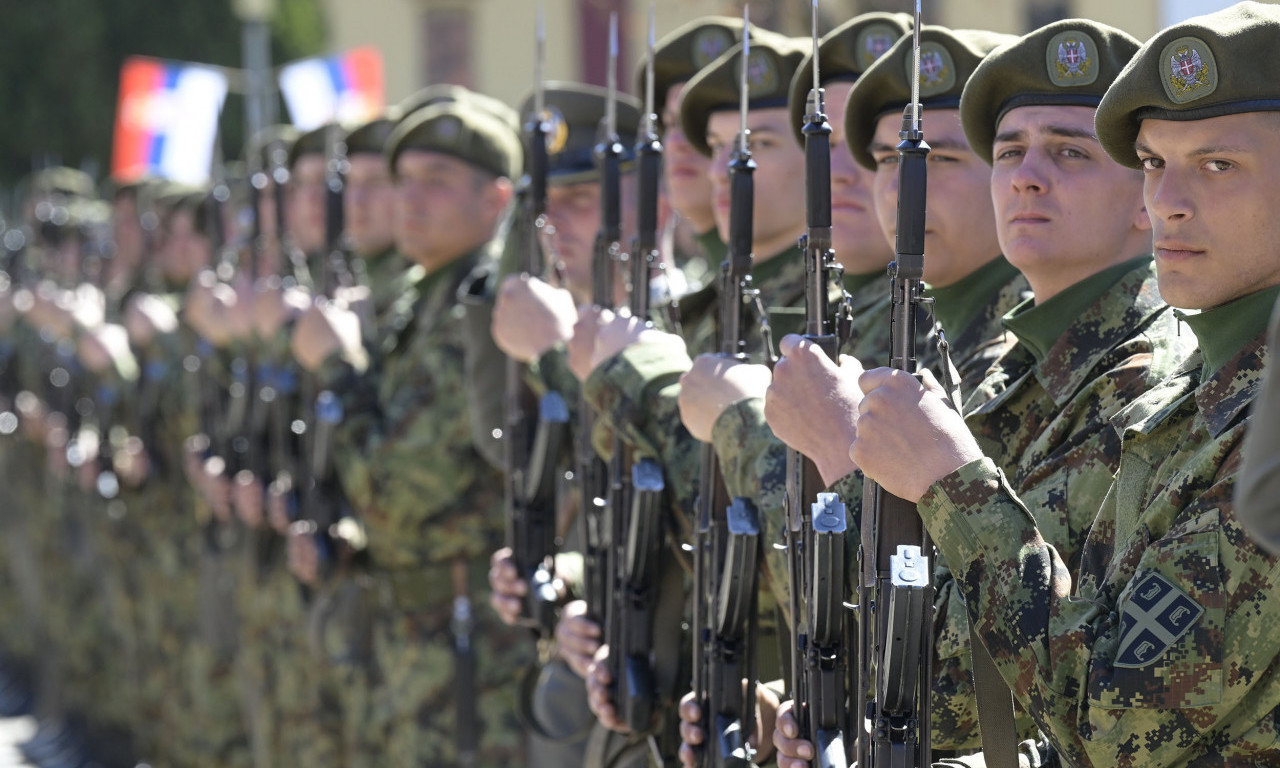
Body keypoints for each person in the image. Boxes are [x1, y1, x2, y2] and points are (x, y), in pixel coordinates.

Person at [849, 3, 1280, 764]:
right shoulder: (1192, 395)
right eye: (1154, 162)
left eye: (1218, 165)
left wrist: (950, 482)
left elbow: (1115, 719)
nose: (1166, 200)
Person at [298, 96, 532, 766]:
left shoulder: (480, 311)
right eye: (404, 181)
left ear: (495, 200)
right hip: (414, 632)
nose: (410, 199)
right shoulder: (419, 300)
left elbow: (394, 489)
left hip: (473, 647)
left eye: (436, 181)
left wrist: (337, 366)